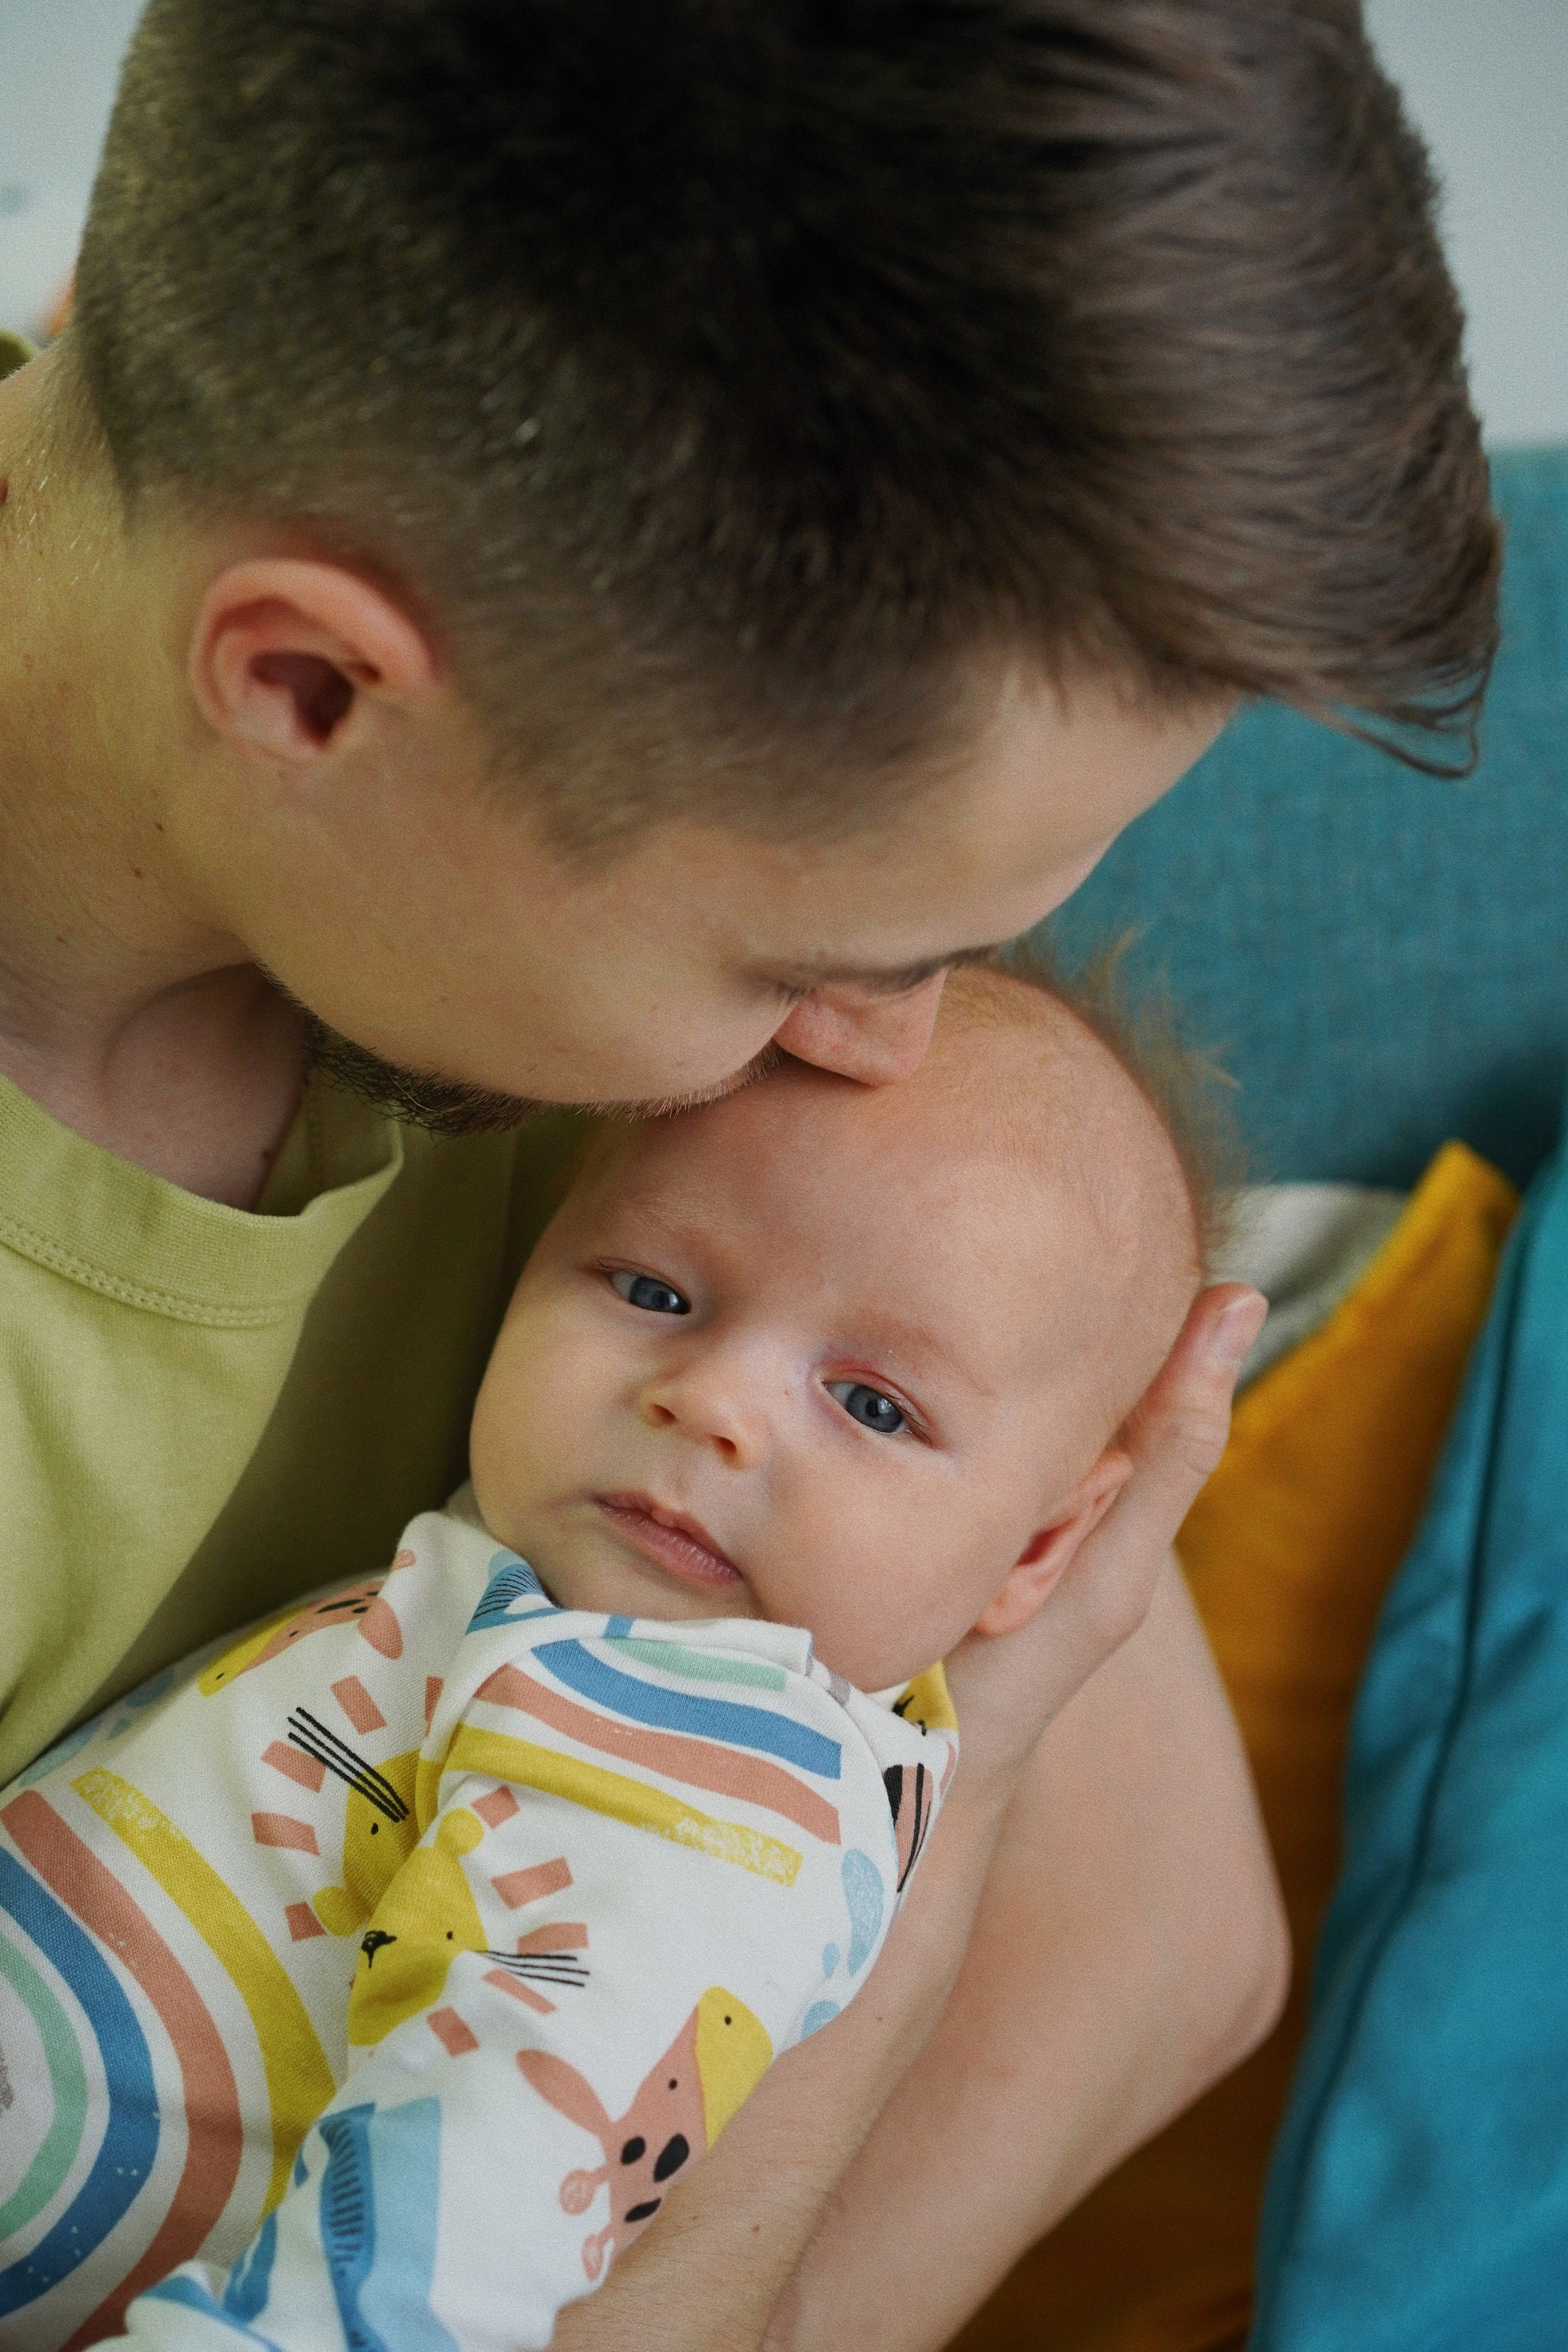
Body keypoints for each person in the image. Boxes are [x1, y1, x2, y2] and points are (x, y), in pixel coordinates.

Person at [0, 4, 1497, 2345]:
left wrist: (955, 1765)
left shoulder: (501, 681)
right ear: (308, 692)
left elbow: (1163, 1947)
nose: (887, 1053)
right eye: (819, 959)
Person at [7, 965, 1208, 2350]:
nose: (712, 1402)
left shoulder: (711, 1781)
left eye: (873, 1405)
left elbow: (455, 2236)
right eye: (653, 1289)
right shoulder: (562, 1605)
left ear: (1039, 1551)